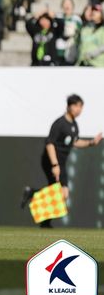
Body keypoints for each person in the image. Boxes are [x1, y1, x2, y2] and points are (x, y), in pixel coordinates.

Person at [34, 95, 102, 228]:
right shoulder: (59, 123)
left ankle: (33, 196)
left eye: (81, 106)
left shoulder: (74, 125)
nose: (79, 109)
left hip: (62, 163)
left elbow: (75, 142)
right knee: (59, 192)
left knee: (63, 194)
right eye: (76, 106)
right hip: (52, 162)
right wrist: (55, 165)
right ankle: (45, 222)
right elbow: (49, 143)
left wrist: (91, 143)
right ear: (69, 106)